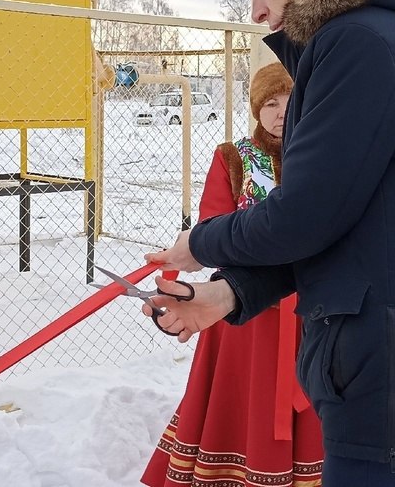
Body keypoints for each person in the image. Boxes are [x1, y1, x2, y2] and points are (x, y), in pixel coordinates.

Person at [140, 0, 395, 485]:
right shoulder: (389, 32)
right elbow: (355, 224)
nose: (256, 12)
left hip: (381, 357)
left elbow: (305, 216)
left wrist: (199, 243)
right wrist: (232, 293)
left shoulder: (359, 41)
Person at [141, 64, 324, 487]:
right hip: (244, 314)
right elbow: (213, 227)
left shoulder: (319, 157)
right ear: (256, 109)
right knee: (242, 400)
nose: (281, 113)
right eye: (270, 104)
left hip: (308, 314)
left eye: (291, 102)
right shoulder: (234, 157)